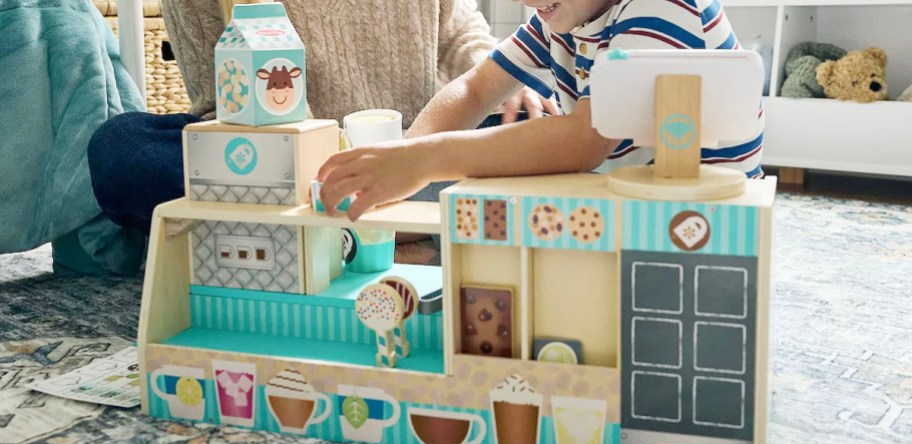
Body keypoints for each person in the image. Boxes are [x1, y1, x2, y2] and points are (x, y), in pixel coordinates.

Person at [87, 0, 555, 241]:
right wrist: (331, 165)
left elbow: (462, 40)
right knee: (124, 148)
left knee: (542, 129)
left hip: (423, 147)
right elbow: (222, 107)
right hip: (294, 166)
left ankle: (347, 240)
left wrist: (513, 82)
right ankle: (403, 235)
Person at [318, 0, 765, 221]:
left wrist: (425, 160)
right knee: (411, 220)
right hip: (620, 197)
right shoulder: (563, 17)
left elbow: (584, 140)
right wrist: (403, 163)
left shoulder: (662, 8)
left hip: (700, 216)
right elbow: (476, 88)